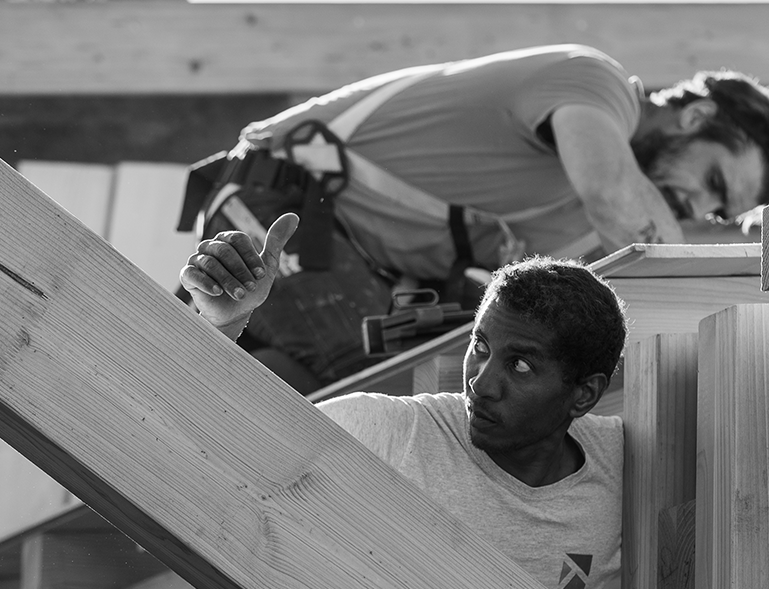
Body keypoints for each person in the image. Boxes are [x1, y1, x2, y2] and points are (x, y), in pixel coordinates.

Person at [178, 44, 769, 391]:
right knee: (373, 385)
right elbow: (622, 208)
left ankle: (194, 390)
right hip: (283, 205)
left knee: (402, 374)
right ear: (696, 119)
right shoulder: (597, 84)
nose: (702, 207)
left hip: (357, 272)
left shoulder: (577, 221)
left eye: (721, 211)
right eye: (715, 180)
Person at [179, 212, 628, 589]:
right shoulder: (389, 433)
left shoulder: (631, 463)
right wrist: (223, 326)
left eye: (521, 366)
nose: (481, 383)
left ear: (585, 394)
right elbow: (209, 452)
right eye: (482, 347)